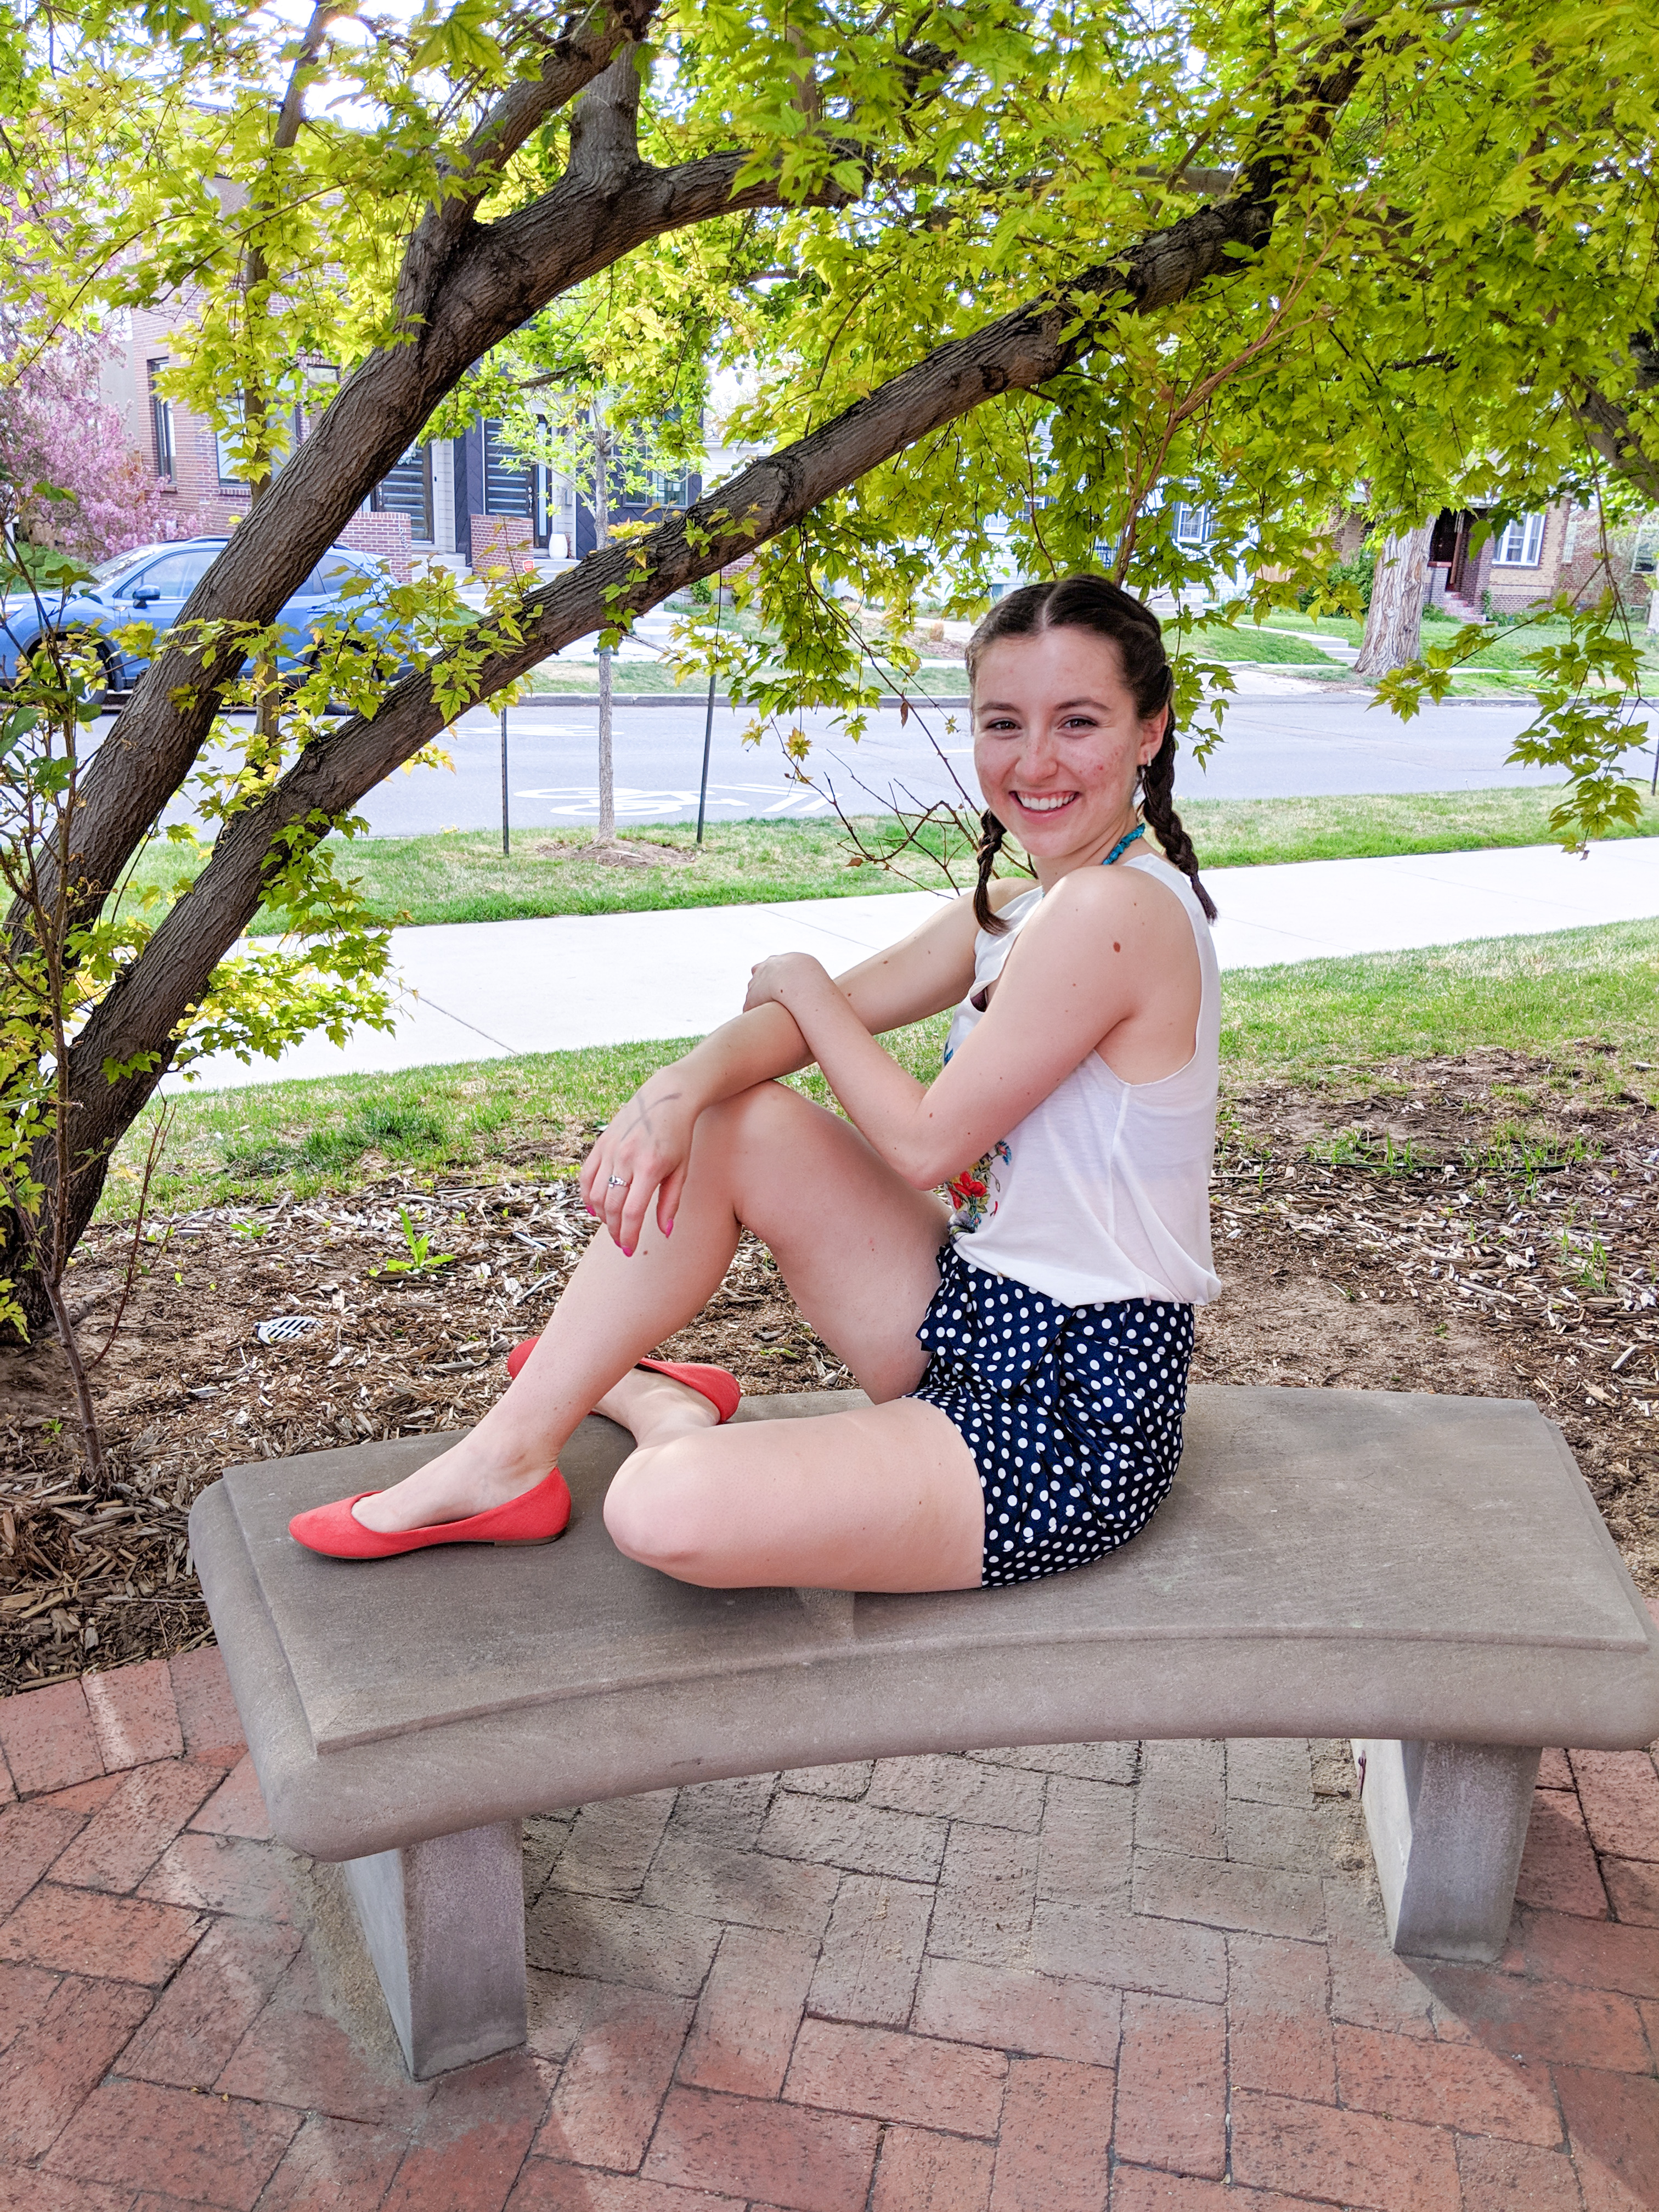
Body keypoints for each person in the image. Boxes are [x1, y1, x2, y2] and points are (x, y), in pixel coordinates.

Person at [289, 575, 1222, 1593]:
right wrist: (676, 1090)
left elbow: (923, 1144)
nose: (1033, 761)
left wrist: (802, 981)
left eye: (1077, 721)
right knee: (731, 1122)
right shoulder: (1018, 909)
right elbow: (786, 1032)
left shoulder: (1115, 910)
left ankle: (666, 1408)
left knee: (660, 1511)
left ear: (1148, 730)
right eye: (1004, 722)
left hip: (1072, 1412)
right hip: (972, 1310)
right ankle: (506, 1458)